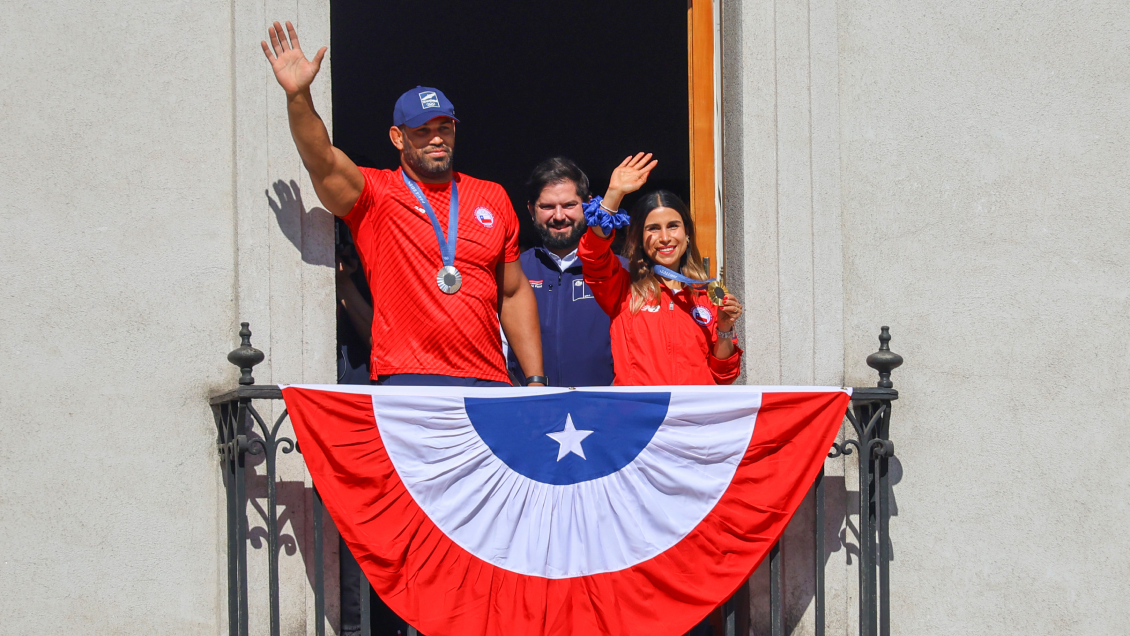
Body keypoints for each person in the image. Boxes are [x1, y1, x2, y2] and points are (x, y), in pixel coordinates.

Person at [261, 21, 546, 389]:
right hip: (409, 377)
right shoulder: (376, 193)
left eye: (444, 127)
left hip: (487, 378)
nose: (436, 139)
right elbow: (322, 160)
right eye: (422, 131)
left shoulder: (492, 196)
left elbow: (513, 291)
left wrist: (536, 378)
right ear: (398, 137)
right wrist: (298, 97)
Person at [577, 153, 744, 386]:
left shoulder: (705, 296)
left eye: (673, 226)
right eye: (653, 228)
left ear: (686, 233)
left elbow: (723, 377)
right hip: (642, 418)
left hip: (693, 419)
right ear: (640, 237)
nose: (665, 238)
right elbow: (593, 255)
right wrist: (614, 194)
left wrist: (725, 329)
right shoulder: (623, 289)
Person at [507, 157, 624, 386]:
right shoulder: (513, 271)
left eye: (569, 205)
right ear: (531, 210)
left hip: (604, 410)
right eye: (547, 207)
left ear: (589, 205)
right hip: (529, 407)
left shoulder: (621, 271)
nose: (559, 216)